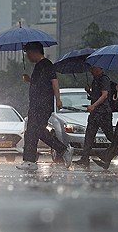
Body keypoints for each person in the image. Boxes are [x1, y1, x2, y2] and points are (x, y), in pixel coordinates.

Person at [16, 42, 74, 170]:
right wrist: (29, 80)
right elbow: (41, 83)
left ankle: (30, 160)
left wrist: (58, 99)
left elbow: (54, 81)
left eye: (28, 53)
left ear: (34, 52)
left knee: (32, 131)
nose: (28, 57)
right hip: (36, 104)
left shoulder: (46, 64)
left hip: (42, 105)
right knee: (38, 131)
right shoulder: (38, 66)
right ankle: (63, 150)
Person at [73, 66, 118, 168]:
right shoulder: (95, 80)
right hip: (95, 113)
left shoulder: (104, 79)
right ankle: (85, 158)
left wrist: (93, 106)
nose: (91, 71)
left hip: (104, 112)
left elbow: (104, 95)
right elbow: (96, 95)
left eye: (92, 69)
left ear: (99, 68)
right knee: (89, 135)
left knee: (111, 136)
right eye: (90, 69)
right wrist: (89, 91)